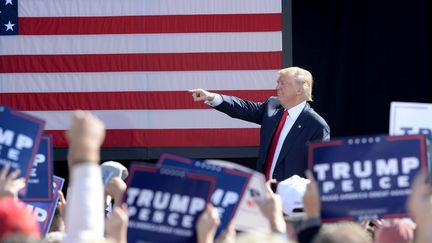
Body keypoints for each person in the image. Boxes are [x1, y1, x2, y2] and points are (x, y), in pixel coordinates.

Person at [190, 67, 330, 181]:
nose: (277, 87)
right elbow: (243, 108)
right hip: (263, 194)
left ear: (300, 90)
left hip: (292, 200)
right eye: (278, 83)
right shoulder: (272, 107)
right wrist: (211, 97)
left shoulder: (316, 126)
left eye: (283, 83)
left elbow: (319, 171)